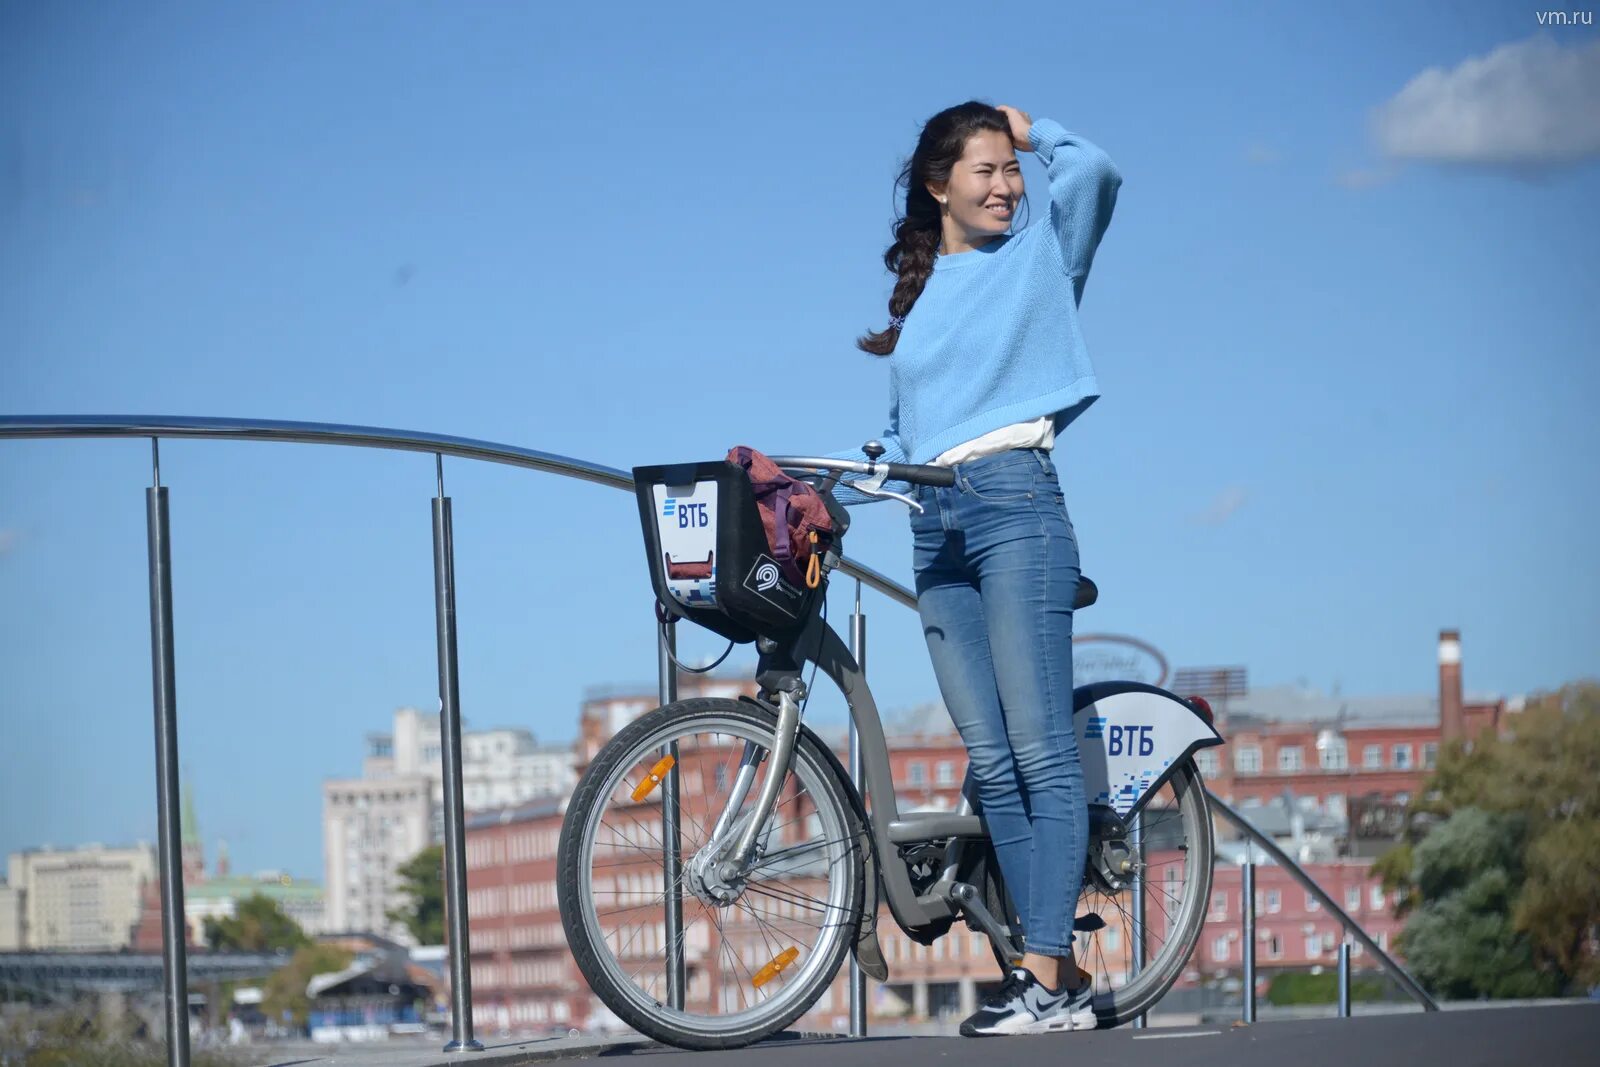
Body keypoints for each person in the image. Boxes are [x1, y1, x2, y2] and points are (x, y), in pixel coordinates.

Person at [829, 100, 1121, 1036]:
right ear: (937, 185)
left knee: (1039, 752)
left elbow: (1097, 174)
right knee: (991, 765)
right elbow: (910, 429)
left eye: (1011, 172)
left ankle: (1042, 973)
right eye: (986, 171)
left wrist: (1031, 129)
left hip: (1016, 508)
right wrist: (851, 474)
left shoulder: (1040, 259)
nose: (1006, 187)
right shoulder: (920, 302)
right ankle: (1057, 972)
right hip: (935, 522)